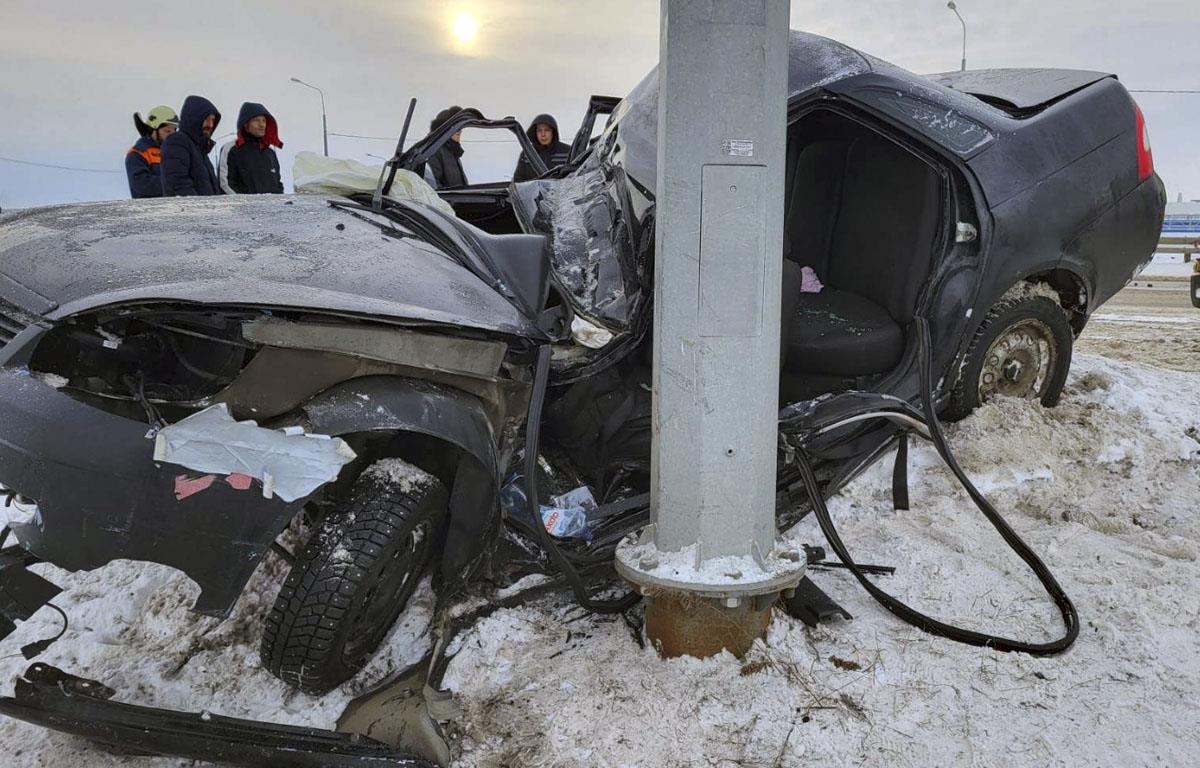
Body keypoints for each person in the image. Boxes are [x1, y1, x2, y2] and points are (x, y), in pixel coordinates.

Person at [160, 95, 222, 196]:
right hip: (188, 210)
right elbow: (178, 185)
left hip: (207, 211)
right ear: (194, 118)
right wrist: (200, 210)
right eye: (206, 119)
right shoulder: (177, 141)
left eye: (213, 120)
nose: (210, 125)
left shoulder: (200, 150)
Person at [218, 102, 284, 194]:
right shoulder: (232, 149)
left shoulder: (270, 153)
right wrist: (246, 205)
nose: (262, 125)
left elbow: (278, 185)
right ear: (245, 125)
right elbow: (225, 184)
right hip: (242, 207)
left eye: (264, 121)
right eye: (256, 120)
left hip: (272, 208)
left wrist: (279, 204)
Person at [125, 106, 178, 199]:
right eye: (167, 131)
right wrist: (175, 184)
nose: (172, 135)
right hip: (148, 210)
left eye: (174, 131)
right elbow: (142, 184)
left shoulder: (175, 154)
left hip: (176, 209)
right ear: (154, 130)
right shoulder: (138, 153)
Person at [423, 106, 473, 189]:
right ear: (443, 129)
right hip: (448, 201)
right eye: (455, 126)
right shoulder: (434, 150)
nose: (460, 130)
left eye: (460, 126)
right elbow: (433, 186)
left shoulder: (452, 150)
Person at [513, 114, 571, 182]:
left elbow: (575, 177)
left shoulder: (567, 152)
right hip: (532, 192)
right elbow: (518, 180)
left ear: (553, 132)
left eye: (547, 130)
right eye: (539, 131)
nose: (543, 134)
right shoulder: (527, 154)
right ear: (535, 133)